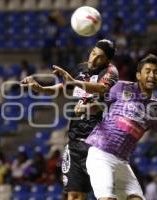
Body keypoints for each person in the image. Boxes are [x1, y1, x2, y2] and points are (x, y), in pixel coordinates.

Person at [21, 39, 119, 200]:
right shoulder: (82, 68)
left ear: (107, 60)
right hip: (74, 141)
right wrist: (42, 89)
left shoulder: (111, 72)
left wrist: (75, 83)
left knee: (104, 195)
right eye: (93, 53)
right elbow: (65, 87)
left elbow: (102, 88)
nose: (93, 59)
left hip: (97, 143)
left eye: (99, 57)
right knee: (73, 194)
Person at [83, 54, 157, 199]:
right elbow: (100, 104)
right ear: (138, 75)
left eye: (156, 72)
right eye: (148, 71)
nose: (152, 75)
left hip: (122, 162)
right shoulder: (120, 87)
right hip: (100, 154)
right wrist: (89, 107)